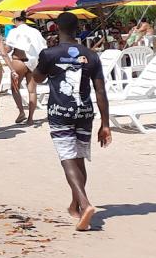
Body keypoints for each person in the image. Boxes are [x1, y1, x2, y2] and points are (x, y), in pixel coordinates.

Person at [32, 12, 111, 231]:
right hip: (85, 113)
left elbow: (37, 78)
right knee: (79, 159)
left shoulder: (49, 53)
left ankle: (85, 204)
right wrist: (106, 124)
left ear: (56, 28)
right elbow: (101, 91)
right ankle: (75, 206)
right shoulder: (92, 55)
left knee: (68, 158)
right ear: (78, 28)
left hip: (60, 112)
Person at [5, 13, 47, 125]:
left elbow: (8, 48)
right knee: (32, 91)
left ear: (15, 20)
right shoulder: (35, 31)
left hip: (18, 61)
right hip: (33, 63)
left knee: (14, 88)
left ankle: (21, 111)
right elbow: (42, 46)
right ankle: (31, 118)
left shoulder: (14, 31)